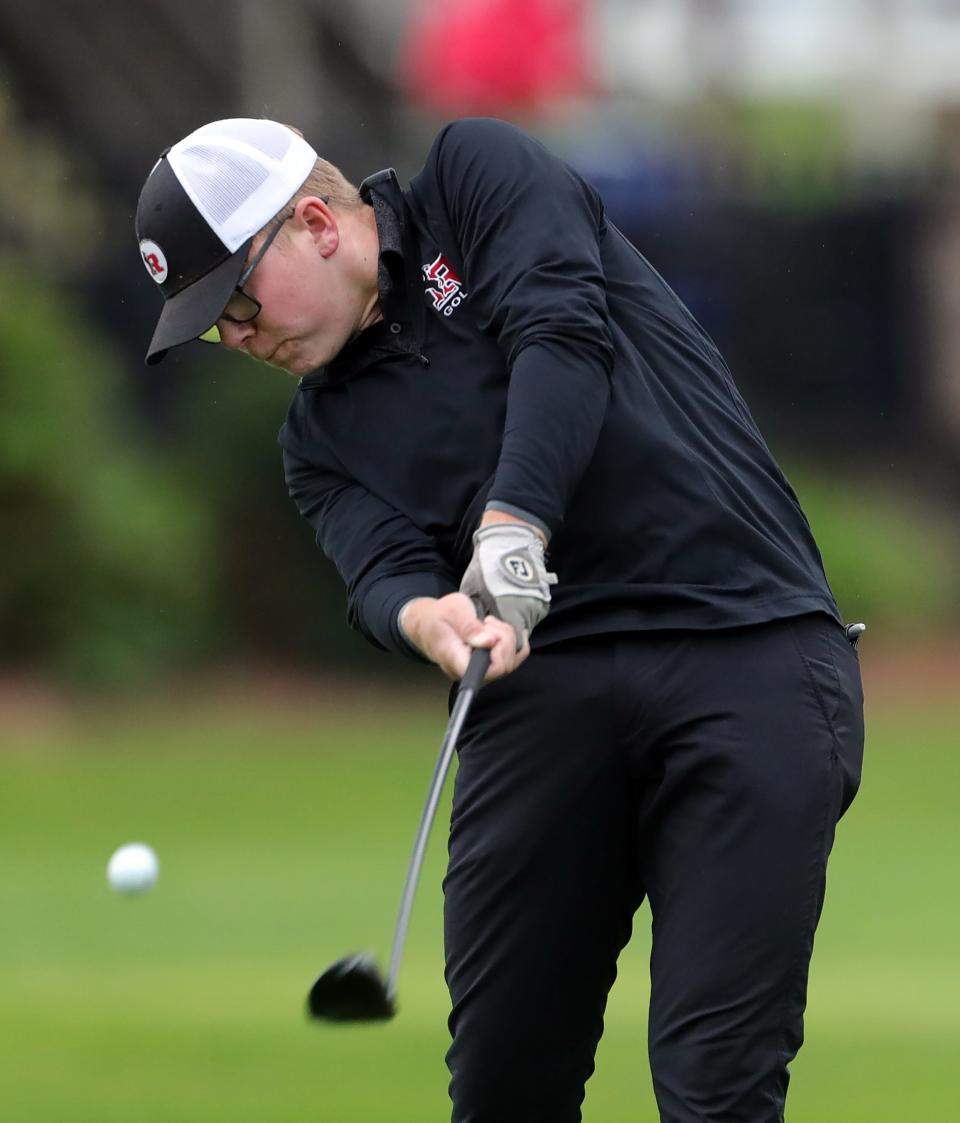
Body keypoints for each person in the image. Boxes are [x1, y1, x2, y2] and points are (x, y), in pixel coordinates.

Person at [135, 117, 865, 1123]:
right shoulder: (320, 439)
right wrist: (428, 620)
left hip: (743, 649)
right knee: (503, 1090)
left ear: (314, 224)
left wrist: (515, 519)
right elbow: (380, 569)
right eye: (216, 326)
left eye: (238, 299)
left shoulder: (476, 181)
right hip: (539, 692)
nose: (238, 336)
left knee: (717, 1083)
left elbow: (561, 330)